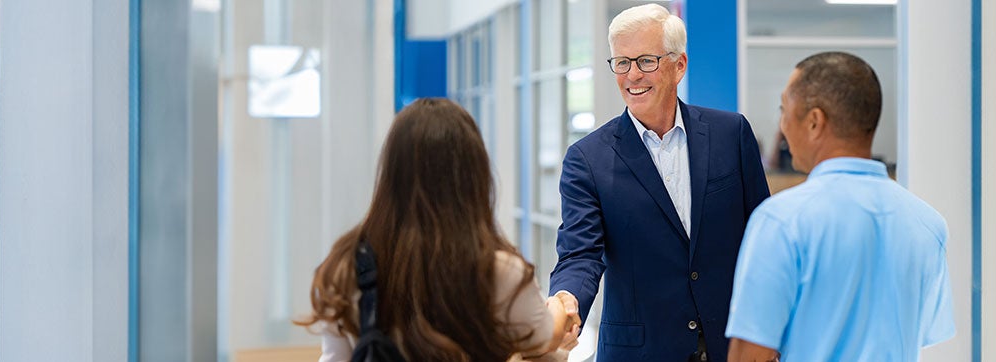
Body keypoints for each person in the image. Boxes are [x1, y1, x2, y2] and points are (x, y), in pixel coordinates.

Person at [546, 3, 772, 361]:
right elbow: (580, 254)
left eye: (645, 61)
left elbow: (763, 239)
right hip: (641, 352)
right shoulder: (588, 159)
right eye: (622, 63)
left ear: (679, 65)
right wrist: (565, 299)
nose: (632, 75)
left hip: (730, 345)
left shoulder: (731, 134)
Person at [296, 98, 581, 361]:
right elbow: (545, 338)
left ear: (391, 174)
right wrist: (560, 303)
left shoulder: (346, 267)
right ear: (475, 175)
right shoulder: (499, 271)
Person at [724, 52, 955, 361]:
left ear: (814, 122)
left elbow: (750, 355)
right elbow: (927, 337)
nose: (783, 125)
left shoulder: (782, 220)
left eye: (784, 110)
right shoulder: (928, 223)